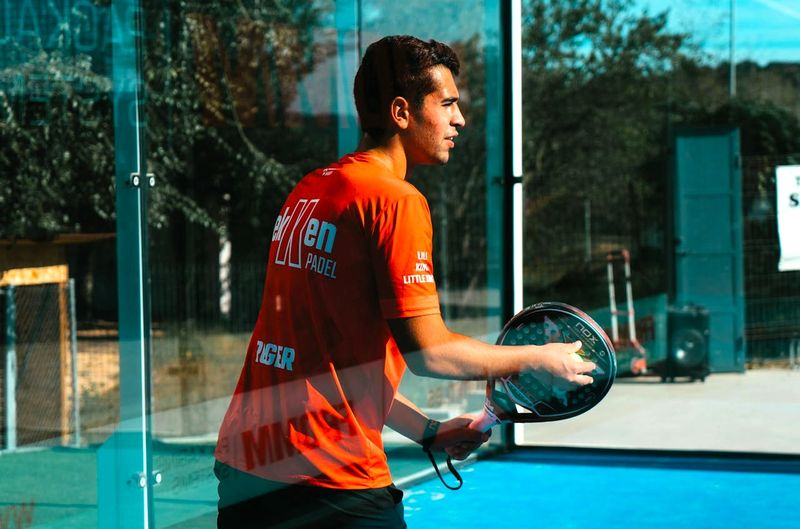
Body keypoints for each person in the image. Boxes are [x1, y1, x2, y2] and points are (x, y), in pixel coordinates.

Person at [213, 35, 594, 529]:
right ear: (400, 112)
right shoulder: (395, 201)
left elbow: (333, 362)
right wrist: (537, 358)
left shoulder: (311, 190)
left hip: (246, 470)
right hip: (329, 481)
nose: (460, 119)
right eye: (448, 104)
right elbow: (429, 352)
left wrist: (427, 430)